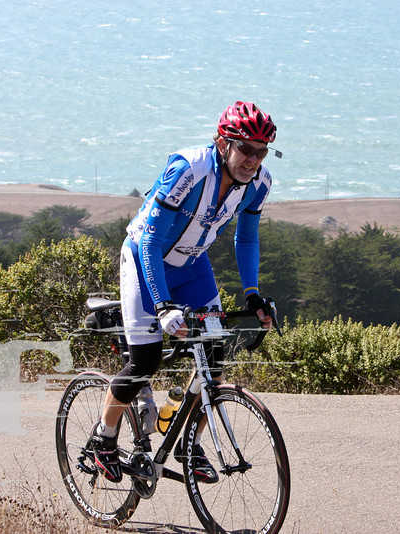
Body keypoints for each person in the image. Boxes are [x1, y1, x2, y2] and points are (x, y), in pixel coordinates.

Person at [88, 101, 278, 483]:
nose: (253, 160)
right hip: (146, 259)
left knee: (214, 355)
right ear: (223, 144)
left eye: (261, 151)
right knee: (145, 362)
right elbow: (151, 240)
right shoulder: (188, 169)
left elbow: (247, 239)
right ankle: (103, 438)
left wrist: (252, 295)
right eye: (246, 149)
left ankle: (190, 443)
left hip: (192, 266)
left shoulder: (259, 183)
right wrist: (162, 306)